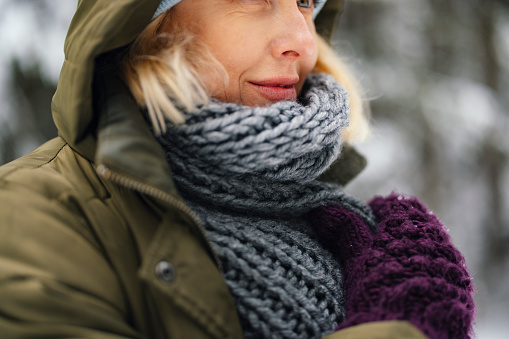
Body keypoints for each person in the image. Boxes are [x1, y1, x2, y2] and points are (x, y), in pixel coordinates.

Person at [0, 0, 475, 338]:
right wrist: (405, 324)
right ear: (151, 19)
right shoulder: (32, 214)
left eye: (306, 1)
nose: (301, 41)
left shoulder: (349, 228)